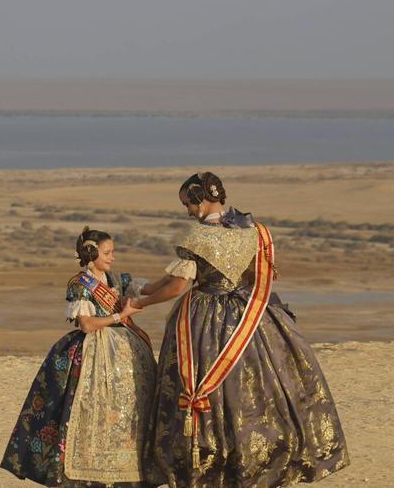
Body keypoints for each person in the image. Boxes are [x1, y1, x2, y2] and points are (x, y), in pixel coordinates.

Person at [133, 172, 349, 487]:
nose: (188, 211)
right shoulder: (254, 230)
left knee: (201, 383)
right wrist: (149, 286)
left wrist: (143, 302)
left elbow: (179, 284)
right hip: (251, 315)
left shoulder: (198, 237)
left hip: (205, 319)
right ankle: (263, 452)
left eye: (188, 205)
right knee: (264, 383)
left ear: (201, 200)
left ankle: (209, 457)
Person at [1, 227, 157, 486]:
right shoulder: (80, 284)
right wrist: (122, 316)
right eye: (107, 253)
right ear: (92, 254)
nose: (112, 258)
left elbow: (151, 288)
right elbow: (86, 324)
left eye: (112, 252)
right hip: (93, 350)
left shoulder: (115, 279)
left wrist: (180, 274)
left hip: (120, 346)